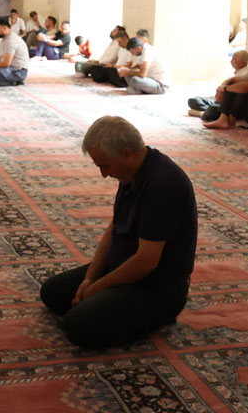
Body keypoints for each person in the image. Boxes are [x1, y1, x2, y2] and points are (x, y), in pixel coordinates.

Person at [39, 116, 197, 348]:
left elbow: (146, 262)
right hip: (121, 266)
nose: (103, 174)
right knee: (52, 293)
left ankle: (153, 317)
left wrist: (96, 289)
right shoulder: (131, 172)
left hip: (156, 287)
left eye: (105, 165)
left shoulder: (164, 184)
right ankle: (111, 304)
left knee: (78, 326)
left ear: (126, 153)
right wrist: (90, 278)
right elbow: (114, 229)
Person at [189, 50, 248, 119]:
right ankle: (209, 112)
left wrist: (222, 89)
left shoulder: (246, 74)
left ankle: (203, 113)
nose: (231, 61)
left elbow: (228, 89)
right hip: (218, 101)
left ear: (241, 63)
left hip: (228, 104)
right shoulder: (233, 73)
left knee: (213, 110)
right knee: (193, 101)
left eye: (233, 59)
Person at [0, 20, 29, 86]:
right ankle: (10, 80)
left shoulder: (11, 40)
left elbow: (6, 63)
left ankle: (15, 81)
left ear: (5, 28)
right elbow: (0, 59)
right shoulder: (4, 40)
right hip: (9, 68)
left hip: (18, 71)